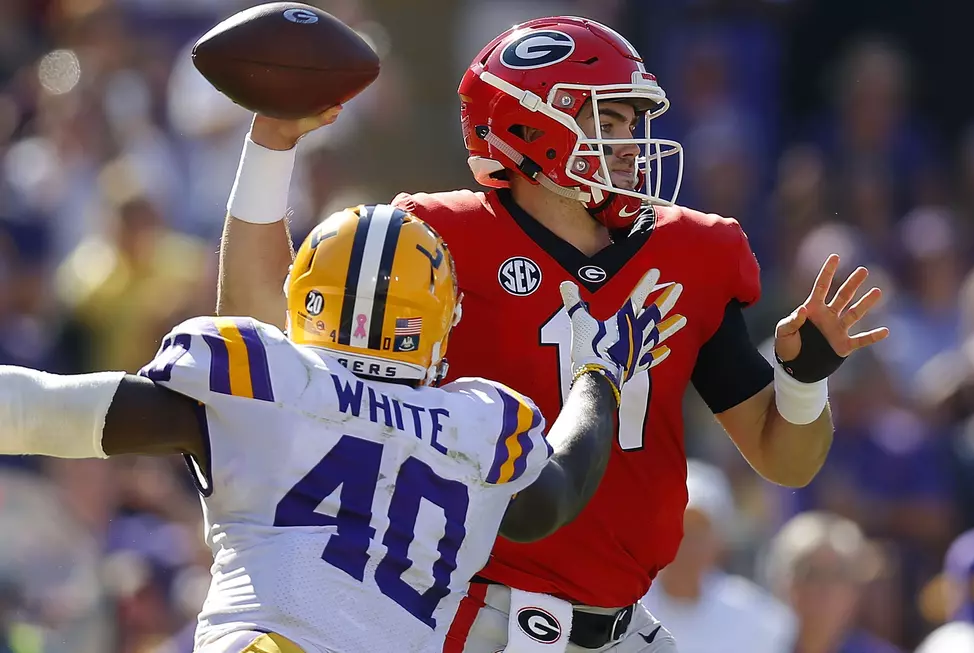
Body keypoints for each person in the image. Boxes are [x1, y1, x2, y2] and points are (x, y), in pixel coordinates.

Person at [214, 15, 890, 652]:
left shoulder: (691, 254)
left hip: (623, 622)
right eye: (609, 120)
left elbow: (784, 459)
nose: (630, 144)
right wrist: (272, 145)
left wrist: (804, 381)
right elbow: (267, 324)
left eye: (632, 122)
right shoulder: (438, 237)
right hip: (468, 617)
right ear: (530, 125)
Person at [0, 204, 683, 653]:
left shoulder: (260, 375)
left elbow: (43, 408)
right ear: (438, 321)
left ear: (307, 297)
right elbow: (555, 497)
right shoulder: (480, 420)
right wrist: (599, 376)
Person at [642, 459, 797, 653]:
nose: (685, 543)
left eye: (698, 532)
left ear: (719, 541)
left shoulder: (757, 619)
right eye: (676, 527)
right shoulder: (620, 610)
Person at [766, 512, 903, 653]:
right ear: (783, 583)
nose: (823, 590)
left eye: (837, 575)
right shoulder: (753, 644)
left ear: (855, 593)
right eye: (811, 575)